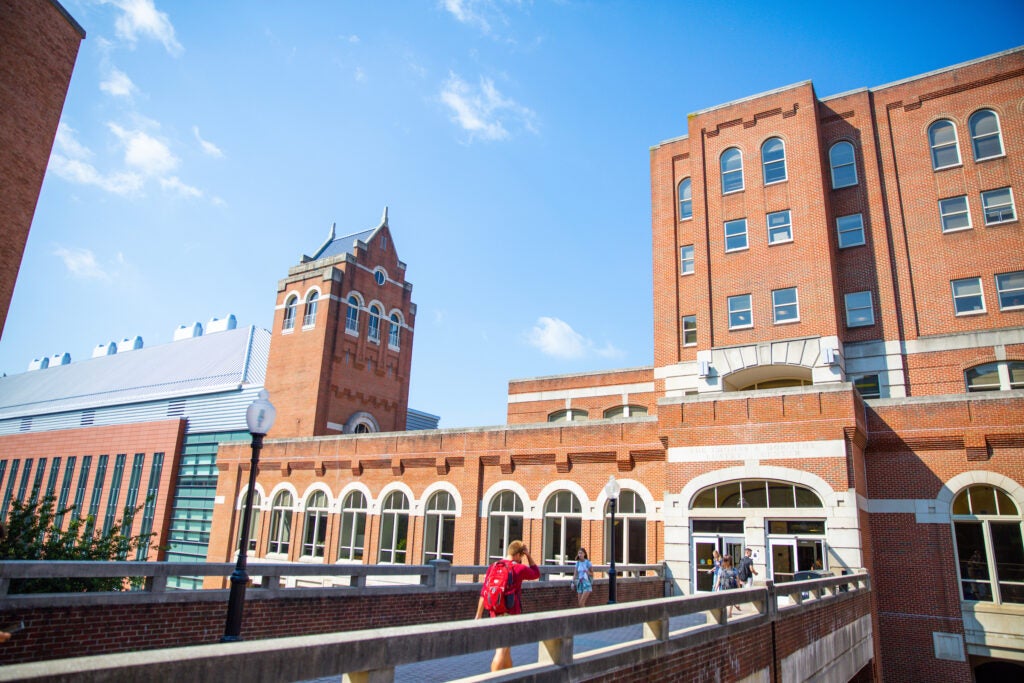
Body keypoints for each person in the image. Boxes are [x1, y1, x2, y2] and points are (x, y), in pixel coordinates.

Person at [475, 540, 540, 671]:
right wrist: (528, 555)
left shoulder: (493, 566)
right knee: (501, 650)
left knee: (506, 649)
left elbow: (484, 592)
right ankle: (493, 679)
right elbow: (536, 573)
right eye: (521, 556)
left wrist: (478, 616)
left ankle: (508, 677)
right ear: (518, 555)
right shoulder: (518, 568)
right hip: (510, 613)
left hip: (494, 611)